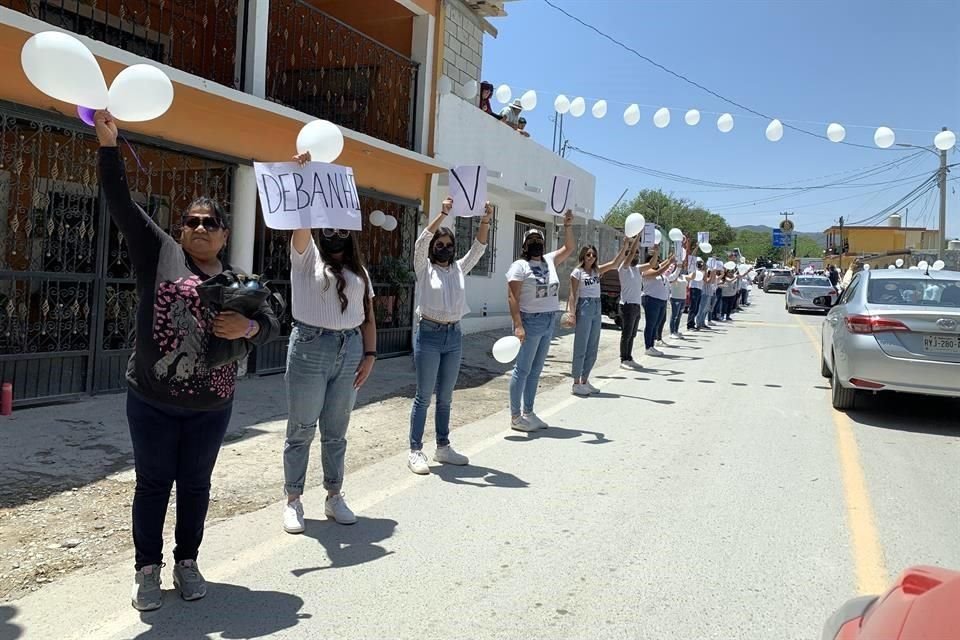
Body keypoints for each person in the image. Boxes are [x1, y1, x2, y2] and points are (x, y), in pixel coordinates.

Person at [94, 111, 280, 611]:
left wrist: (251, 327)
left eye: (210, 223)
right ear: (181, 230)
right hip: (152, 400)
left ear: (223, 235)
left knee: (196, 485)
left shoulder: (242, 281)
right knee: (153, 484)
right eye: (192, 222)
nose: (200, 228)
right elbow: (120, 203)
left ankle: (188, 561)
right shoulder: (160, 255)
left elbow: (275, 324)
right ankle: (147, 570)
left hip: (210, 407)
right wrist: (109, 149)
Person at [282, 153, 378, 533]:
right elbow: (301, 226)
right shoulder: (306, 260)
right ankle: (293, 499)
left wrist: (370, 355)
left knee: (336, 430)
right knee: (302, 428)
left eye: (341, 230)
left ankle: (334, 494)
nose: (334, 235)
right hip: (309, 347)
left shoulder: (360, 271)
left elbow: (368, 317)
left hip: (350, 348)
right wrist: (305, 178)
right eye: (328, 229)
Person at [407, 198, 492, 475]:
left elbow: (479, 248)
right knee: (423, 396)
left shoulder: (458, 268)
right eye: (439, 245)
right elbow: (421, 243)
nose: (444, 248)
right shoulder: (424, 268)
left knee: (446, 396)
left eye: (448, 245)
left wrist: (485, 220)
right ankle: (415, 450)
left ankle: (443, 446)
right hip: (429, 335)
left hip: (454, 336)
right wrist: (442, 215)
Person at [506, 211, 576, 431]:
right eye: (532, 241)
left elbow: (570, 248)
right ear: (525, 245)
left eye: (539, 241)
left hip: (548, 320)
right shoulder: (520, 266)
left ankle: (529, 411)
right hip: (530, 321)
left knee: (536, 370)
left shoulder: (549, 260)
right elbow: (512, 297)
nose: (536, 244)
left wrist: (567, 226)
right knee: (522, 369)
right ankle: (516, 417)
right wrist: (518, 325)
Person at [568, 239, 634, 396]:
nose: (591, 257)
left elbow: (615, 263)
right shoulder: (577, 273)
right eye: (588, 254)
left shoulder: (597, 271)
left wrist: (625, 246)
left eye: (593, 255)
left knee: (593, 346)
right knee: (581, 346)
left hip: (597, 307)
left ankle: (585, 379)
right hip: (585, 306)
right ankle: (576, 382)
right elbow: (572, 294)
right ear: (583, 256)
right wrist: (571, 313)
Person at [640, 246, 675, 357]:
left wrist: (671, 258)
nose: (658, 262)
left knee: (656, 324)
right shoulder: (645, 271)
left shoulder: (658, 269)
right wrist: (668, 262)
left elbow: (662, 265)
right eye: (655, 260)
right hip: (651, 299)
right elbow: (659, 270)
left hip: (661, 301)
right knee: (651, 324)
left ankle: (652, 345)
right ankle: (648, 346)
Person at [618, 240, 644, 368]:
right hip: (627, 305)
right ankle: (623, 359)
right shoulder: (624, 268)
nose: (637, 256)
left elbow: (652, 264)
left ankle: (629, 357)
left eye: (638, 254)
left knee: (632, 334)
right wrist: (637, 237)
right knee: (626, 334)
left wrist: (656, 252)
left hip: (636, 305)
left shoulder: (637, 270)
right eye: (635, 254)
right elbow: (631, 251)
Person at [668, 265, 689, 340]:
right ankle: (671, 332)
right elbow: (671, 281)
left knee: (679, 316)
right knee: (674, 316)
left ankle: (676, 331)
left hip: (683, 298)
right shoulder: (672, 276)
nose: (681, 269)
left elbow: (692, 277)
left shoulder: (683, 276)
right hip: (675, 298)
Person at [686, 258, 704, 332]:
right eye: (700, 264)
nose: (701, 265)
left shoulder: (702, 272)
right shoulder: (693, 271)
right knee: (693, 307)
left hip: (699, 290)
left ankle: (692, 323)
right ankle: (690, 324)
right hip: (694, 289)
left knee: (696, 308)